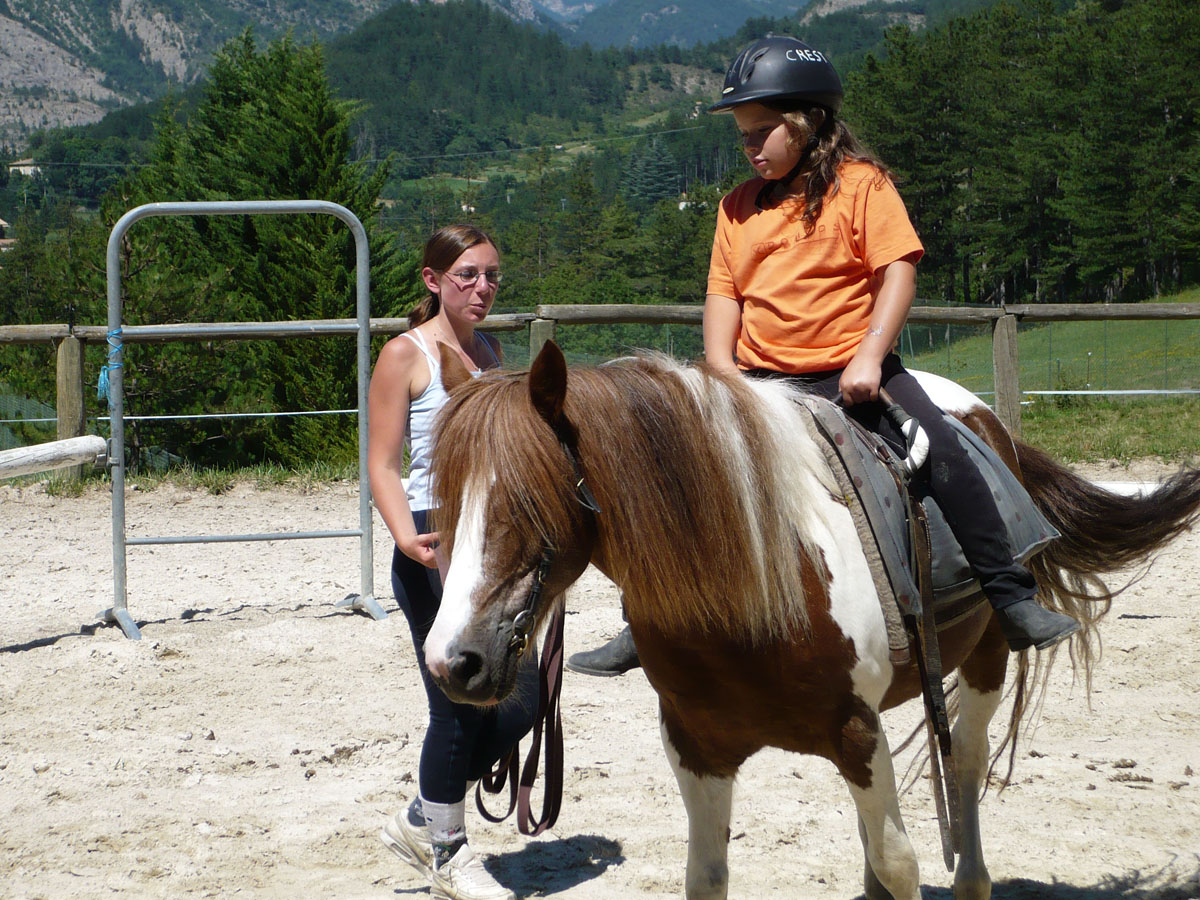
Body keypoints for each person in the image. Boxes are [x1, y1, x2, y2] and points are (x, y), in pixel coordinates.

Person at [567, 36, 1078, 675]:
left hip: (850, 370)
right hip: (757, 378)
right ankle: (644, 617)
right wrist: (722, 371)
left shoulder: (862, 187)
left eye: (762, 131)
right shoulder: (736, 208)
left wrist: (869, 358)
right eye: (743, 135)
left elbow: (898, 273)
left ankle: (1010, 595)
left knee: (943, 453)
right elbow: (724, 293)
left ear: (806, 123)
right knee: (677, 476)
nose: (750, 146)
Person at [368, 224, 536, 900]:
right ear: (433, 281)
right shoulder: (405, 355)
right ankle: (450, 852)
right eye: (467, 274)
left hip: (489, 543)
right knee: (457, 707)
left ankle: (422, 815)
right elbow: (381, 463)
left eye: (492, 275)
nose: (483, 288)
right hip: (434, 539)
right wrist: (407, 537)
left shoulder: (493, 353)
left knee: (526, 696)